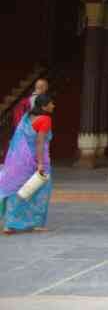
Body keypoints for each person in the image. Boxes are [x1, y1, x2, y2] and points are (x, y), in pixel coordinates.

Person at [0, 94, 55, 234]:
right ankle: (36, 223)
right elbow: (40, 142)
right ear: (44, 106)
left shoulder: (27, 117)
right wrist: (40, 163)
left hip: (20, 160)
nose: (53, 105)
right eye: (51, 103)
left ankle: (9, 224)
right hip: (37, 160)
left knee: (16, 190)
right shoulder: (45, 119)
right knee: (41, 191)